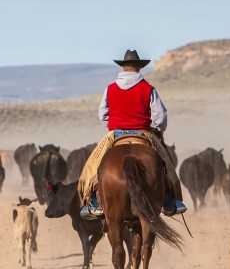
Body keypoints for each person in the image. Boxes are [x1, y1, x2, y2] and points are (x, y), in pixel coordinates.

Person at [78, 49, 186, 219]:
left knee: (92, 167)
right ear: (139, 68)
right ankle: (171, 200)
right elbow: (161, 116)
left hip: (116, 133)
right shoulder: (148, 88)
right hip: (143, 133)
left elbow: (102, 114)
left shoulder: (110, 89)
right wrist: (159, 129)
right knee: (166, 164)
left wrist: (113, 126)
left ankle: (94, 202)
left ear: (123, 67)